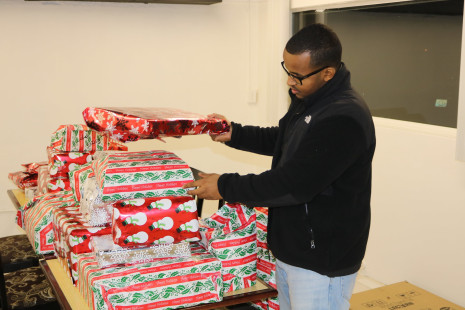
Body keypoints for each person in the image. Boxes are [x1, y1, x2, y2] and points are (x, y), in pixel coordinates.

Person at [183, 23, 376, 310]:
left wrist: (224, 185)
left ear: (327, 73)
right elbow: (285, 138)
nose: (290, 82)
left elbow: (293, 185)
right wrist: (235, 133)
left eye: (297, 76)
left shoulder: (343, 119)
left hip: (322, 259)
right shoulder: (308, 97)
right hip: (293, 248)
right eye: (287, 71)